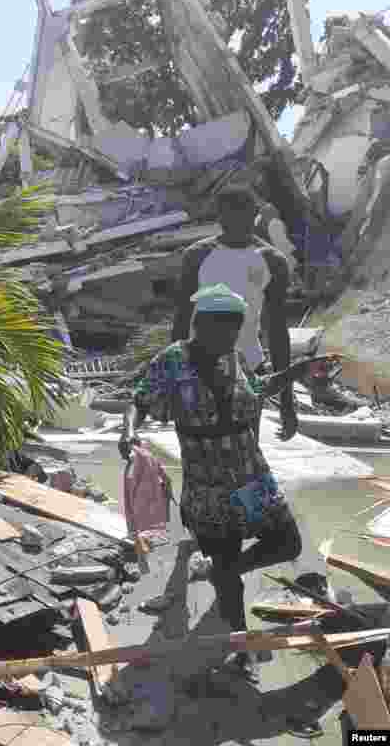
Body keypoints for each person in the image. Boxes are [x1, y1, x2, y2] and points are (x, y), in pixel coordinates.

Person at [121, 283, 336, 678]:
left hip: (251, 472)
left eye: (235, 332)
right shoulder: (172, 360)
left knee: (287, 542)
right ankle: (238, 640)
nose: (230, 339)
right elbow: (139, 399)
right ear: (200, 325)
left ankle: (226, 572)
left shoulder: (233, 358)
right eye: (223, 331)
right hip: (207, 482)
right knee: (225, 562)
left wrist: (297, 372)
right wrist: (128, 431)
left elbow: (256, 390)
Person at [171, 185, 298, 442]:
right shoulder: (197, 256)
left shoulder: (272, 260)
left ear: (254, 215)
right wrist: (176, 379)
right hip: (200, 368)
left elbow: (277, 330)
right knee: (201, 452)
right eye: (231, 216)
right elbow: (181, 322)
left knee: (247, 450)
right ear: (220, 217)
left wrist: (286, 401)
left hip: (249, 368)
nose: (238, 223)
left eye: (244, 216)